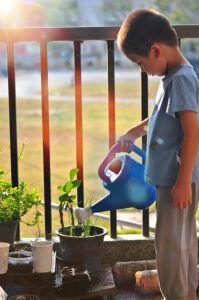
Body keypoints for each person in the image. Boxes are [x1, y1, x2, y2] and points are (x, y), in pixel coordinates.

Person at [117, 8, 199, 300]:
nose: (143, 70)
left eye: (140, 63)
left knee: (170, 248)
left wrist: (182, 181)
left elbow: (193, 132)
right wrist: (135, 131)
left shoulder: (180, 80)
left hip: (177, 180)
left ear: (155, 50)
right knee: (182, 243)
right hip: (174, 180)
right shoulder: (174, 78)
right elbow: (163, 118)